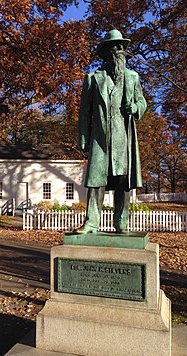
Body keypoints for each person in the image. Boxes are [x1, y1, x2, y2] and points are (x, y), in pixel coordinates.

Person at [75, 29, 147, 234]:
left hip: (123, 137)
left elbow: (142, 101)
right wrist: (83, 137)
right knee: (96, 180)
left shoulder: (133, 78)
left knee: (123, 180)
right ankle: (91, 222)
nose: (119, 50)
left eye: (121, 47)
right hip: (100, 137)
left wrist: (135, 108)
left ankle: (121, 222)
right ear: (105, 52)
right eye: (114, 47)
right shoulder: (93, 78)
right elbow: (84, 113)